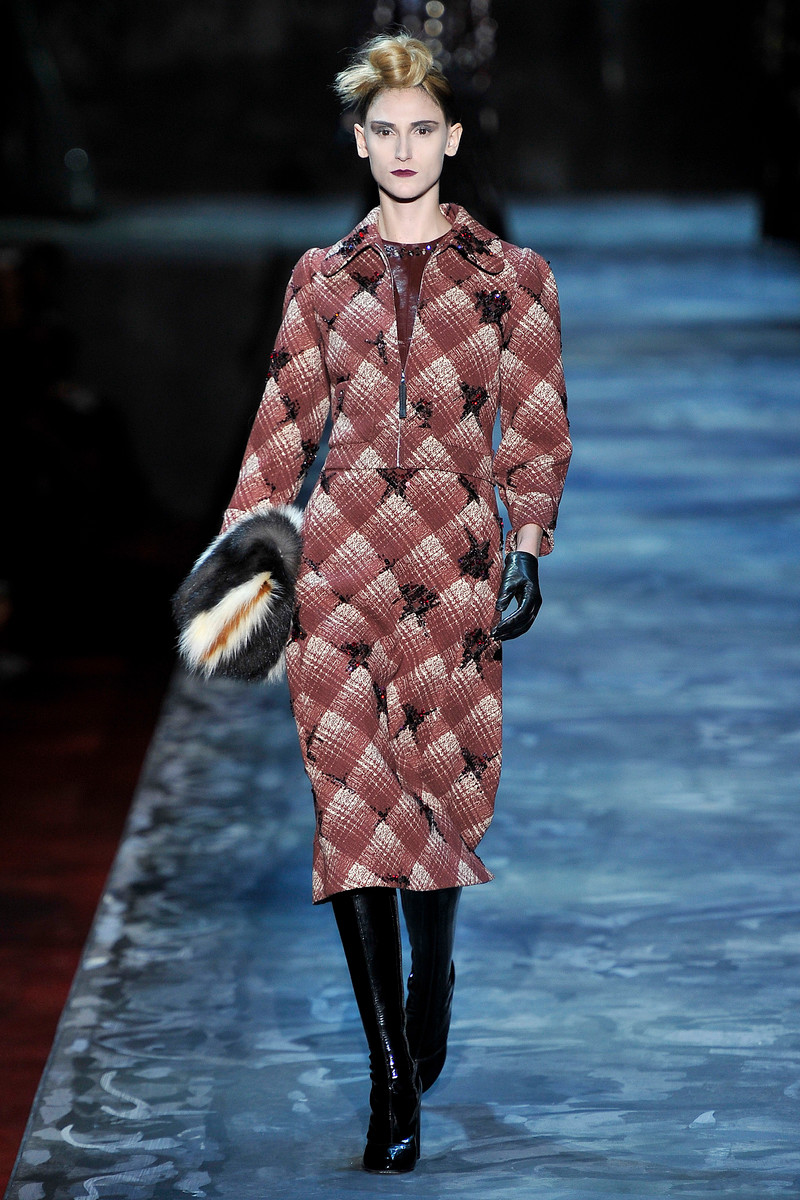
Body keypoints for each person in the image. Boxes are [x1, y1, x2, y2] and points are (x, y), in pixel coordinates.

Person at [175, 32, 571, 1175]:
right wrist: (241, 555)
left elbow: (534, 430)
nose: (402, 149)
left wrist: (527, 547)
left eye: (420, 129)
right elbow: (281, 429)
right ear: (358, 142)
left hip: (452, 567)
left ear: (450, 138)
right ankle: (388, 1070)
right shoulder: (319, 278)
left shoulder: (512, 279)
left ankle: (430, 972)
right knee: (352, 819)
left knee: (437, 806)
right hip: (338, 568)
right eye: (382, 131)